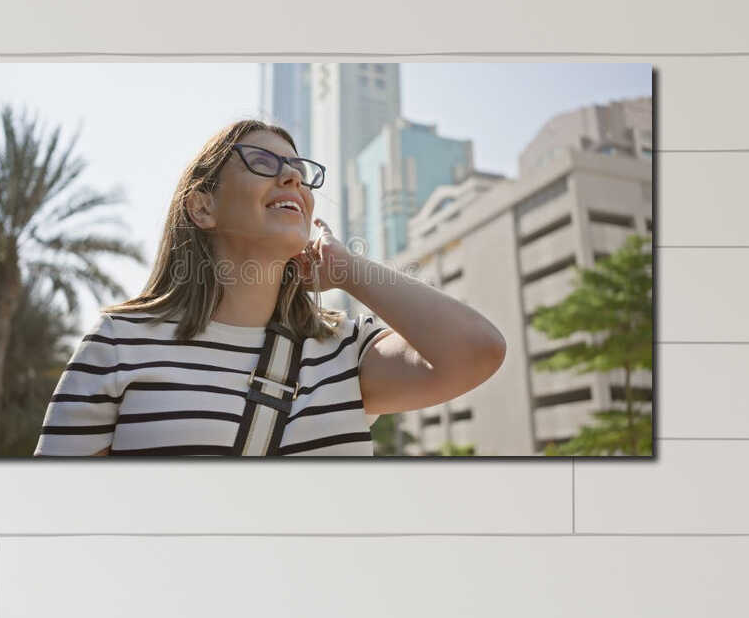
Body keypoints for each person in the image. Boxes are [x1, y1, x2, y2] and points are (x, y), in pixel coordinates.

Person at [34, 119, 505, 456]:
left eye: (300, 171)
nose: (293, 178)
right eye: (262, 161)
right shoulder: (119, 341)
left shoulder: (343, 351)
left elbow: (479, 351)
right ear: (202, 208)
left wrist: (344, 267)